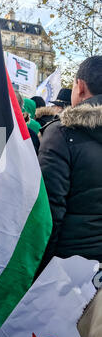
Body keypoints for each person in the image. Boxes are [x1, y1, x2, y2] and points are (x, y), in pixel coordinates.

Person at [37, 56, 102, 272]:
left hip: (73, 270)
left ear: (80, 86)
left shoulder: (62, 134)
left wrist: (39, 271)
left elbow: (48, 214)